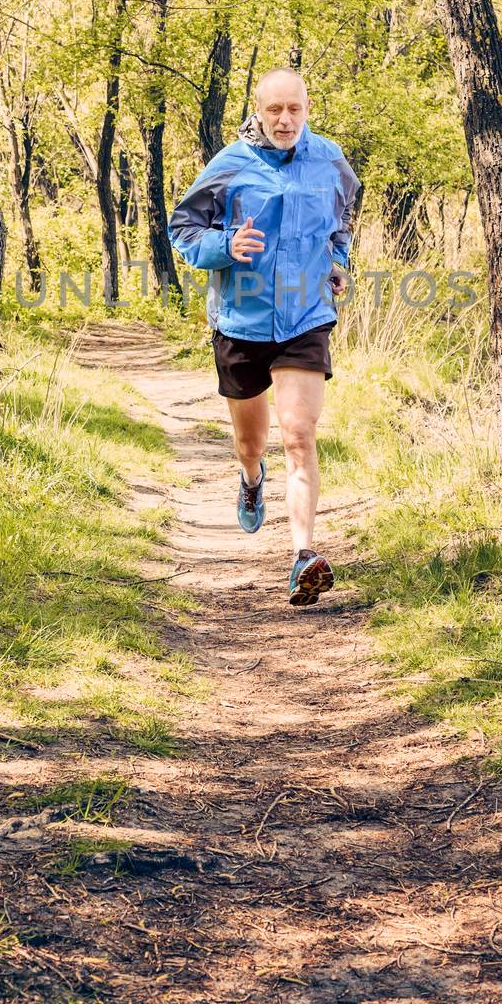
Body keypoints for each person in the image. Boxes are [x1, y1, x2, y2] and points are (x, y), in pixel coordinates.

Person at [168, 68, 361, 606]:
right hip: (241, 322)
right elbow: (182, 229)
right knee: (251, 443)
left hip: (306, 315)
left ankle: (304, 555)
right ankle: (251, 477)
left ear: (307, 106)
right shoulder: (230, 165)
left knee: (299, 435)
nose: (284, 120)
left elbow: (342, 220)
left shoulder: (330, 161)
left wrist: (338, 262)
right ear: (257, 110)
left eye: (294, 109)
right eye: (274, 110)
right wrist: (226, 246)